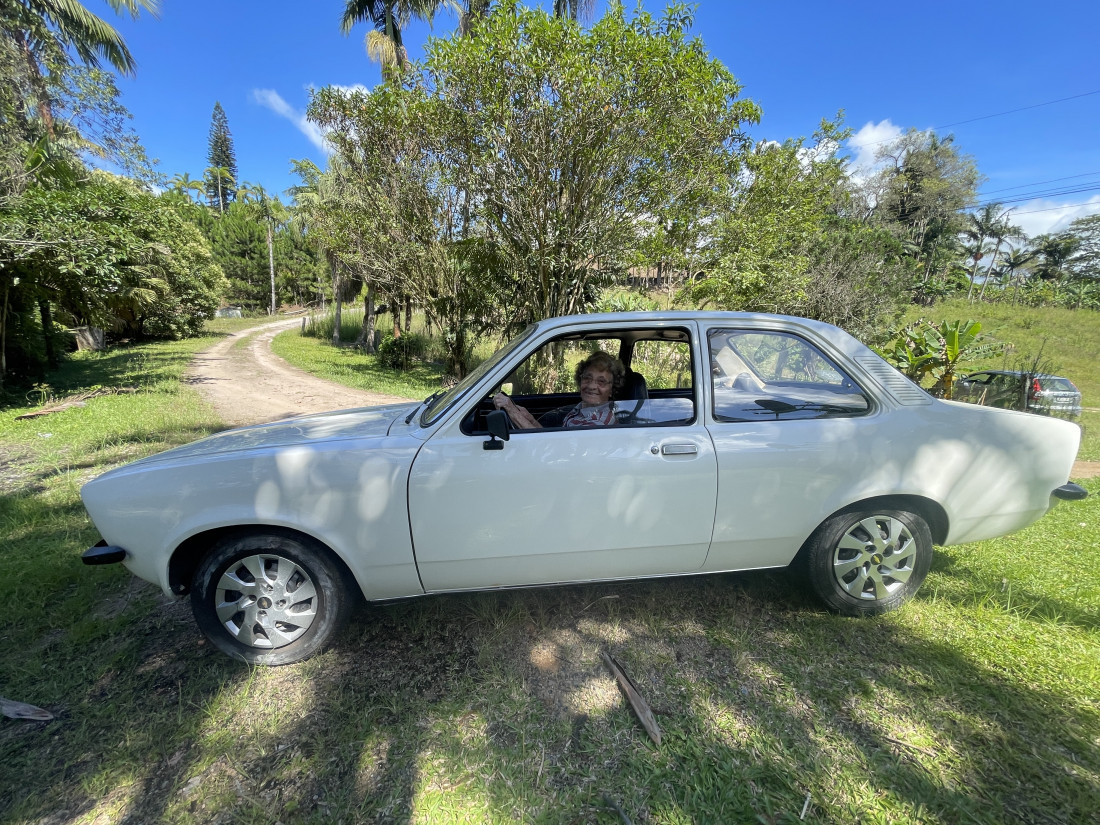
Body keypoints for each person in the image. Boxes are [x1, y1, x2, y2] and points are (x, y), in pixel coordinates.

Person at [493, 350, 626, 429]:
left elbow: (550, 447)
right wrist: (530, 419)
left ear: (612, 389)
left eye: (601, 382)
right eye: (587, 378)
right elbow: (554, 440)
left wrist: (512, 411)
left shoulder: (598, 422)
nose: (591, 386)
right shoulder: (583, 409)